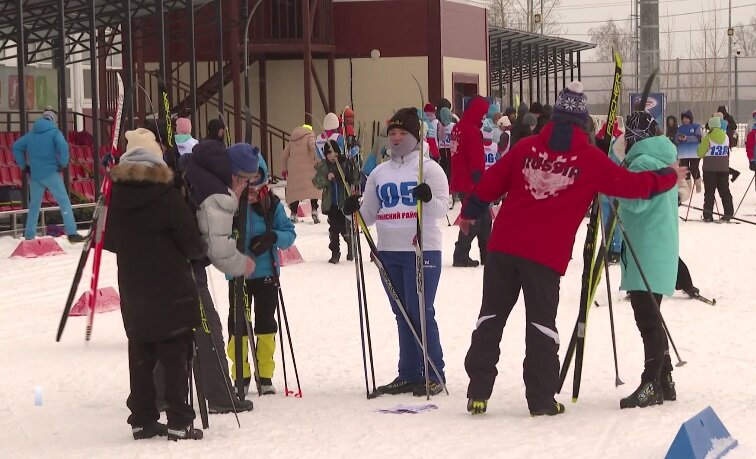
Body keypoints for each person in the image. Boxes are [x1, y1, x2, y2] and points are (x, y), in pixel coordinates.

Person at [459, 81, 684, 416]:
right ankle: (540, 399)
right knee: (540, 325)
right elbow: (631, 187)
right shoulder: (590, 158)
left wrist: (470, 212)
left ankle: (478, 391)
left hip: (504, 247)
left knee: (490, 317)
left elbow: (492, 181)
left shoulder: (525, 148)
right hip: (544, 256)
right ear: (583, 123)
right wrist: (668, 177)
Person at [104, 128, 206, 440]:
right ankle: (179, 419)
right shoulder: (167, 194)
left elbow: (108, 240)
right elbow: (192, 242)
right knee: (175, 354)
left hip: (134, 288)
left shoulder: (116, 197)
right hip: (170, 287)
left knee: (141, 353)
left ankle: (142, 419)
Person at [342, 108, 450, 396]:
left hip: (421, 251)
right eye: (392, 134)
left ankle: (434, 371)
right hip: (388, 252)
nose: (397, 138)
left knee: (421, 312)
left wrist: (426, 198)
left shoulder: (429, 169)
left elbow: (442, 208)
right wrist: (352, 210)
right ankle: (409, 373)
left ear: (415, 136)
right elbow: (369, 215)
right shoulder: (379, 172)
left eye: (403, 133)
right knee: (402, 314)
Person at [184, 137, 256, 414]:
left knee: (172, 331)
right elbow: (218, 249)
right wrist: (242, 264)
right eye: (246, 179)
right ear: (237, 174)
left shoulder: (197, 168)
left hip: (166, 261)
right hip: (186, 264)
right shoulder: (218, 193)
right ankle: (219, 396)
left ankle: (160, 394)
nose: (246, 186)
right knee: (207, 329)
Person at [616, 111, 680, 409]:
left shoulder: (641, 162)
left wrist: (613, 186)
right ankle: (664, 377)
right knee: (653, 316)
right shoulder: (661, 158)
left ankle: (651, 382)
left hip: (647, 252)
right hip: (658, 250)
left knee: (648, 320)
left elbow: (635, 201)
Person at [225, 144, 296, 396]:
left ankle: (264, 375)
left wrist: (271, 236)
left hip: (266, 271)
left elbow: (290, 233)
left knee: (266, 322)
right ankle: (240, 375)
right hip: (238, 272)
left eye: (255, 176)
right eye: (246, 177)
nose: (251, 183)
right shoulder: (230, 203)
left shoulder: (270, 203)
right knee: (238, 325)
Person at [12, 110, 83, 242]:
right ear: (53, 120)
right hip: (51, 174)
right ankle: (72, 233)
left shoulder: (31, 135)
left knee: (34, 206)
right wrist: (63, 163)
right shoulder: (55, 133)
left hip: (35, 176)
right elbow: (63, 146)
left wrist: (23, 165)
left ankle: (29, 236)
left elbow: (16, 147)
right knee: (64, 203)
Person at [450, 96, 489, 267]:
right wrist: (479, 181)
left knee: (485, 219)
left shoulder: (458, 127)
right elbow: (475, 159)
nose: (484, 117)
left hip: (459, 178)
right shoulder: (472, 131)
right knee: (474, 219)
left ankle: (488, 255)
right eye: (483, 113)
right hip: (471, 181)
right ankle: (460, 254)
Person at [312, 139, 358, 263]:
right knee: (333, 230)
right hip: (331, 204)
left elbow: (356, 179)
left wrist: (351, 171)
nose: (333, 156)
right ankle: (335, 253)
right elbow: (316, 183)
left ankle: (350, 245)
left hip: (344, 204)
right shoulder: (323, 167)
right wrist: (327, 178)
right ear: (326, 155)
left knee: (344, 229)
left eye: (335, 153)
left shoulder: (344, 164)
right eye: (329, 153)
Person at [282, 124, 322, 224]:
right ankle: (314, 210)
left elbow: (283, 156)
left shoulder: (292, 140)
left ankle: (293, 214)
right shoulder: (310, 136)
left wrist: (284, 169)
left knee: (295, 193)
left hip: (294, 172)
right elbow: (313, 147)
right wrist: (320, 162)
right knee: (313, 189)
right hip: (309, 169)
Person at [697, 116, 734, 221]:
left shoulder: (707, 137)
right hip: (723, 168)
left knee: (709, 192)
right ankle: (728, 213)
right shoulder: (726, 137)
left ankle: (708, 215)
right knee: (724, 191)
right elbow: (727, 151)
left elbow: (700, 153)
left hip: (709, 168)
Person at [676, 110, 703, 193]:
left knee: (694, 168)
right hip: (683, 152)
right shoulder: (680, 128)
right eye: (683, 118)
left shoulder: (696, 126)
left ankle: (698, 182)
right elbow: (676, 139)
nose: (685, 120)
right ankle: (688, 187)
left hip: (694, 152)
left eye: (687, 118)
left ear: (690, 118)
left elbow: (699, 137)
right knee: (685, 169)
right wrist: (679, 138)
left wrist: (687, 138)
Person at [437, 106, 456, 185]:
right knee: (451, 166)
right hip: (451, 148)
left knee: (444, 165)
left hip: (442, 148)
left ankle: (444, 180)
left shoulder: (439, 125)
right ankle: (449, 181)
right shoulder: (453, 125)